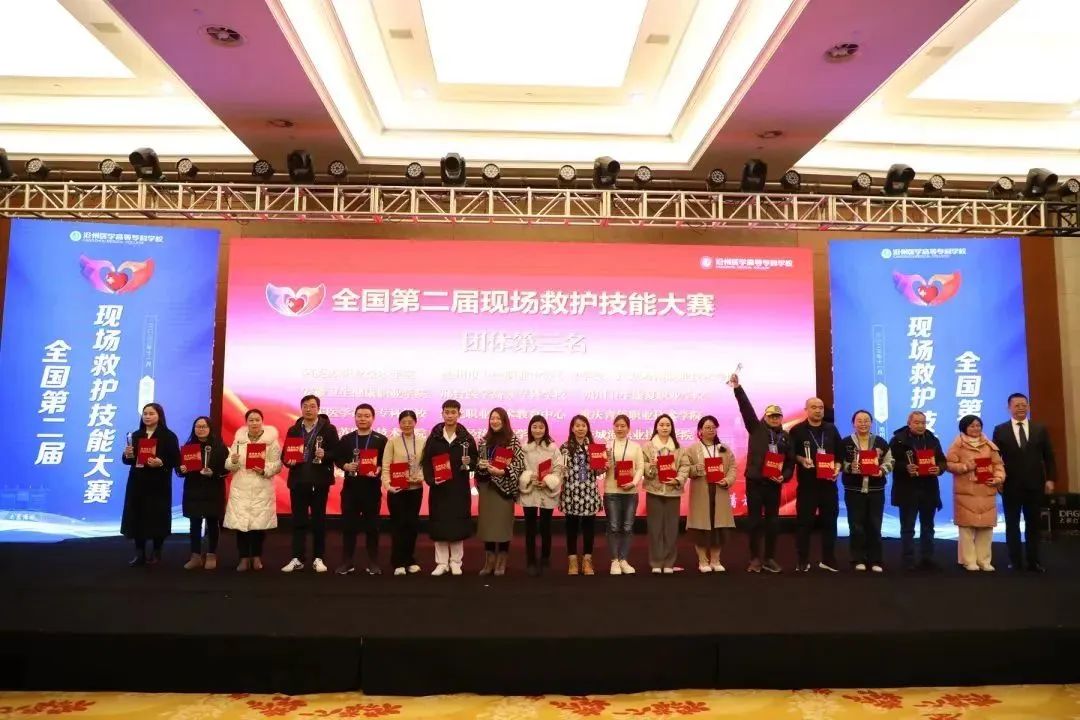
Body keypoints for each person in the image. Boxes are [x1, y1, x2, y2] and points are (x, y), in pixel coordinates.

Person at [730, 374, 795, 573]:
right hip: (756, 483)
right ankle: (754, 558)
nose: (774, 419)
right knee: (754, 522)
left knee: (773, 523)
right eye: (771, 416)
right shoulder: (756, 428)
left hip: (774, 484)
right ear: (765, 417)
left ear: (781, 418)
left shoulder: (786, 437)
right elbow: (746, 408)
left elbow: (790, 462)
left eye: (777, 416)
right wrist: (738, 388)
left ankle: (770, 558)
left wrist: (784, 476)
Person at [992, 393, 1057, 572]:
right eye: (1017, 405)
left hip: (1035, 484)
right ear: (1009, 408)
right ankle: (1015, 561)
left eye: (1024, 405)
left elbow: (1049, 456)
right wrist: (998, 478)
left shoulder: (1039, 429)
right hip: (1010, 485)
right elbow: (995, 459)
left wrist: (1050, 479)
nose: (1021, 408)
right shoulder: (1000, 430)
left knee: (1033, 524)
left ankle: (1033, 561)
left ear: (1028, 406)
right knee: (1012, 524)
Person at [282, 395, 339, 573]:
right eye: (305, 406)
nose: (308, 409)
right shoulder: (294, 429)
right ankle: (297, 558)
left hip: (319, 481)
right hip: (298, 481)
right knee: (298, 521)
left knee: (318, 521)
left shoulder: (328, 429)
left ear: (318, 409)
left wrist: (325, 455)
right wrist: (288, 461)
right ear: (301, 408)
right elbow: (285, 455)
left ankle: (318, 558)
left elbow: (337, 453)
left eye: (312, 406)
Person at [421, 399, 478, 576]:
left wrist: (469, 463)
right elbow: (426, 461)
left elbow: (475, 462)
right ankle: (441, 563)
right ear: (442, 413)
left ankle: (456, 562)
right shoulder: (434, 437)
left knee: (457, 524)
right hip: (439, 489)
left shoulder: (466, 438)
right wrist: (431, 480)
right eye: (447, 412)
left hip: (459, 488)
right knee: (439, 524)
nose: (450, 415)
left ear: (459, 414)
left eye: (453, 412)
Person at [788, 398, 845, 572]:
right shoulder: (797, 430)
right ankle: (802, 560)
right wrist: (801, 459)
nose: (818, 410)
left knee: (830, 523)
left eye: (821, 407)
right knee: (804, 524)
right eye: (814, 407)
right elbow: (791, 454)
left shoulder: (831, 429)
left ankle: (828, 559)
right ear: (806, 409)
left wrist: (837, 467)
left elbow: (840, 453)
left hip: (828, 485)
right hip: (808, 485)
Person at [121, 403, 180, 566]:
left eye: (151, 413)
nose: (147, 416)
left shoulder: (168, 436)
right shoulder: (136, 435)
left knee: (157, 517)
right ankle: (139, 553)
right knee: (137, 516)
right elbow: (128, 461)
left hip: (158, 483)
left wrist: (162, 462)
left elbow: (176, 459)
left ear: (159, 416)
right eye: (145, 413)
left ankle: (156, 551)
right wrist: (126, 455)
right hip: (137, 482)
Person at [889, 410, 948, 571]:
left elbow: (942, 461)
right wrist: (905, 467)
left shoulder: (932, 439)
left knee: (928, 527)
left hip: (929, 489)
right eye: (917, 422)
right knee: (908, 528)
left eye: (923, 422)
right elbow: (890, 462)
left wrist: (939, 469)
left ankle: (927, 558)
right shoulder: (898, 440)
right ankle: (908, 560)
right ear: (909, 423)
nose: (921, 426)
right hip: (907, 489)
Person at [224, 409, 282, 571]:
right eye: (251, 420)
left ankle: (256, 557)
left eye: (257, 420)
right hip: (241, 487)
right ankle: (243, 558)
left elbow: (277, 464)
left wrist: (264, 469)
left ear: (262, 421)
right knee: (241, 525)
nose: (254, 423)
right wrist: (233, 461)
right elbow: (228, 464)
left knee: (259, 525)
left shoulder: (271, 442)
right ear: (246, 422)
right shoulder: (239, 441)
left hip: (261, 487)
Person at [334, 404, 388, 576]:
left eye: (366, 416)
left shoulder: (381, 439)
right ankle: (347, 562)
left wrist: (379, 468)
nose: (362, 419)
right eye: (359, 415)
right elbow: (338, 458)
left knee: (372, 528)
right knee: (348, 527)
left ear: (373, 418)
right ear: (355, 417)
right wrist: (345, 466)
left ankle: (373, 562)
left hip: (371, 489)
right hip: (351, 490)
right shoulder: (347, 439)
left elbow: (386, 461)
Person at [947, 415, 1005, 572]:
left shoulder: (989, 445)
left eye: (978, 425)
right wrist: (965, 467)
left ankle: (984, 560)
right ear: (964, 427)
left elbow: (998, 465)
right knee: (966, 529)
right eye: (972, 426)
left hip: (986, 490)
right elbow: (949, 464)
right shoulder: (957, 445)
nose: (975, 428)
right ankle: (969, 561)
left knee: (986, 529)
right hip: (965, 492)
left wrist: (998, 478)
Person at [841, 410, 893, 572]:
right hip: (854, 489)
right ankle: (858, 559)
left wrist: (881, 471)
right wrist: (849, 467)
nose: (863, 423)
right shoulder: (846, 442)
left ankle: (875, 560)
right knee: (856, 525)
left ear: (871, 423)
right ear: (853, 423)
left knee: (875, 525)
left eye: (866, 420)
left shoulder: (880, 442)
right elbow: (838, 462)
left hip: (876, 489)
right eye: (859, 420)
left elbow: (890, 460)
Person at [475, 407, 525, 576]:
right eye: (492, 418)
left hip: (504, 490)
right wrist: (481, 466)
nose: (494, 421)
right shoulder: (483, 441)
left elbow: (520, 464)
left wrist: (503, 471)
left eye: (498, 418)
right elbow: (478, 463)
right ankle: (489, 561)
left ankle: (501, 561)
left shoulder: (512, 440)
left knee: (503, 526)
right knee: (487, 525)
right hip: (487, 488)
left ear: (504, 421)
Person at [685, 415, 737, 573]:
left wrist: (727, 480)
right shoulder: (692, 449)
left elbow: (733, 468)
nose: (711, 430)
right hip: (701, 491)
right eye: (707, 427)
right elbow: (685, 468)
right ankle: (703, 561)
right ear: (700, 430)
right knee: (701, 528)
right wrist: (695, 469)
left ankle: (715, 560)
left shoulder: (724, 449)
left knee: (718, 527)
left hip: (720, 490)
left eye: (714, 427)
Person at [178, 416, 229, 570]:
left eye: (203, 426)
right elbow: (179, 468)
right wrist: (181, 470)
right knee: (194, 523)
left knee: (213, 523)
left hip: (213, 489)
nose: (200, 429)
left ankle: (211, 554)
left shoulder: (220, 447)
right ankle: (195, 556)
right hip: (193, 489)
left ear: (210, 428)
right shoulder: (188, 447)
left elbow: (226, 470)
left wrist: (213, 473)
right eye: (197, 426)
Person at [642, 414, 690, 574]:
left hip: (673, 492)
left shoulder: (678, 447)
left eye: (668, 425)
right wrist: (651, 465)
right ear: (656, 427)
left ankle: (669, 563)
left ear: (672, 428)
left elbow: (685, 467)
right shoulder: (647, 447)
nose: (664, 427)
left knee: (671, 529)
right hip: (654, 491)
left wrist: (677, 479)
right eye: (661, 424)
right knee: (655, 528)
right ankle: (656, 562)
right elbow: (642, 466)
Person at [381, 410, 426, 576]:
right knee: (398, 525)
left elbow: (425, 465)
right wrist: (388, 485)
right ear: (399, 423)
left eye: (410, 422)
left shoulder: (422, 442)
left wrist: (420, 478)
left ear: (415, 423)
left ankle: (410, 560)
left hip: (415, 490)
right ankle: (398, 562)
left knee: (412, 526)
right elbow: (386, 465)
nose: (407, 425)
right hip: (397, 490)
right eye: (403, 422)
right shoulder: (392, 441)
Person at [559, 415, 605, 576]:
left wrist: (604, 466)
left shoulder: (594, 448)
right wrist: (561, 470)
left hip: (589, 492)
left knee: (589, 528)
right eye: (577, 425)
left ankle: (587, 560)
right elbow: (561, 471)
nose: (580, 428)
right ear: (572, 428)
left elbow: (598, 472)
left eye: (583, 425)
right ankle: (572, 560)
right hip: (571, 492)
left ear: (587, 428)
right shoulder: (565, 447)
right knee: (571, 528)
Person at [518, 415, 564, 576]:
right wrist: (528, 477)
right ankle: (530, 560)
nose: (538, 430)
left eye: (541, 427)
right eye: (535, 427)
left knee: (546, 527)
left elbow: (559, 468)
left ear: (546, 429)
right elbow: (519, 468)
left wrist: (548, 481)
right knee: (530, 528)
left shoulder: (553, 448)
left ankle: (545, 559)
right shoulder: (524, 448)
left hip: (546, 491)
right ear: (530, 429)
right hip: (530, 490)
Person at [604, 414, 644, 575]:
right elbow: (600, 468)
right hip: (611, 491)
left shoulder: (636, 446)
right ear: (613, 427)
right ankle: (614, 560)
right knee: (613, 526)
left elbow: (640, 467)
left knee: (627, 527)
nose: (620, 428)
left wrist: (634, 482)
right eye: (617, 425)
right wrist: (605, 464)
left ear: (628, 428)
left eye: (623, 426)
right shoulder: (607, 446)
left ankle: (623, 559)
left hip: (630, 492)